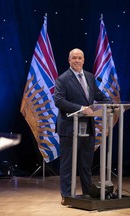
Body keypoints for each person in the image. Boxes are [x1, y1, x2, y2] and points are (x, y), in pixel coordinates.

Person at [54, 48, 110, 205]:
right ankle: (66, 195)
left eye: (80, 58)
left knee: (86, 164)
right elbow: (59, 101)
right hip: (69, 127)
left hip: (88, 127)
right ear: (69, 60)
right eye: (74, 58)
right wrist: (80, 108)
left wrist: (111, 104)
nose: (77, 60)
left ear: (84, 60)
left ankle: (88, 193)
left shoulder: (90, 77)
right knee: (68, 164)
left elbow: (98, 95)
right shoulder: (62, 79)